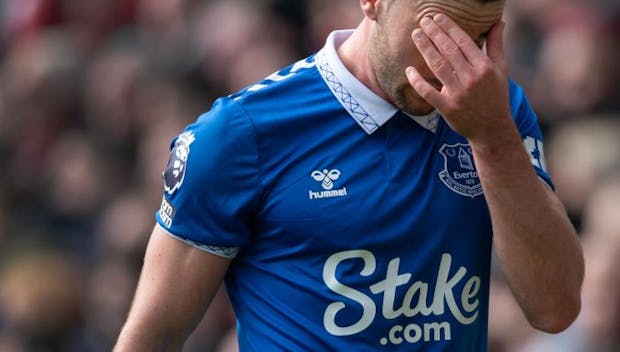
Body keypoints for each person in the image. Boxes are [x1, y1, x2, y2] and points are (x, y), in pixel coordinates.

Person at [114, 0, 584, 350]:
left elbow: (556, 308)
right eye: (434, 33)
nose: (453, 66)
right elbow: (151, 336)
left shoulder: (495, 111)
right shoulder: (239, 134)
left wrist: (494, 139)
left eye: (477, 40)